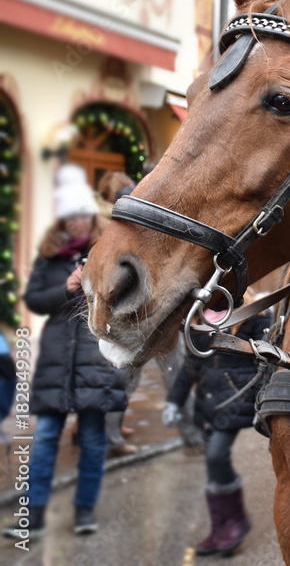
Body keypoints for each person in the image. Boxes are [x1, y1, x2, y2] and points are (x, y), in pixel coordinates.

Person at [3, 164, 128, 538]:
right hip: (57, 359)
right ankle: (34, 515)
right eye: (68, 216)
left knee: (92, 440)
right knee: (44, 439)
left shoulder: (109, 249)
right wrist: (68, 289)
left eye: (80, 215)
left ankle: (85, 512)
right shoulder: (50, 254)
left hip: (96, 358)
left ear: (90, 215)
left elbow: (125, 300)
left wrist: (95, 285)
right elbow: (34, 300)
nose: (75, 222)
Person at [162, 299, 270, 556]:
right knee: (213, 467)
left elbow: (266, 364)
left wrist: (259, 399)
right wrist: (174, 403)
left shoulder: (255, 317)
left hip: (234, 402)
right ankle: (221, 527)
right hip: (207, 403)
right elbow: (190, 368)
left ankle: (236, 522)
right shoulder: (199, 320)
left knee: (216, 455)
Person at [95, 171, 140, 458]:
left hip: (118, 313)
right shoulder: (114, 230)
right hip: (120, 315)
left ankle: (110, 427)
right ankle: (111, 436)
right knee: (120, 379)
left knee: (118, 378)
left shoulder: (106, 226)